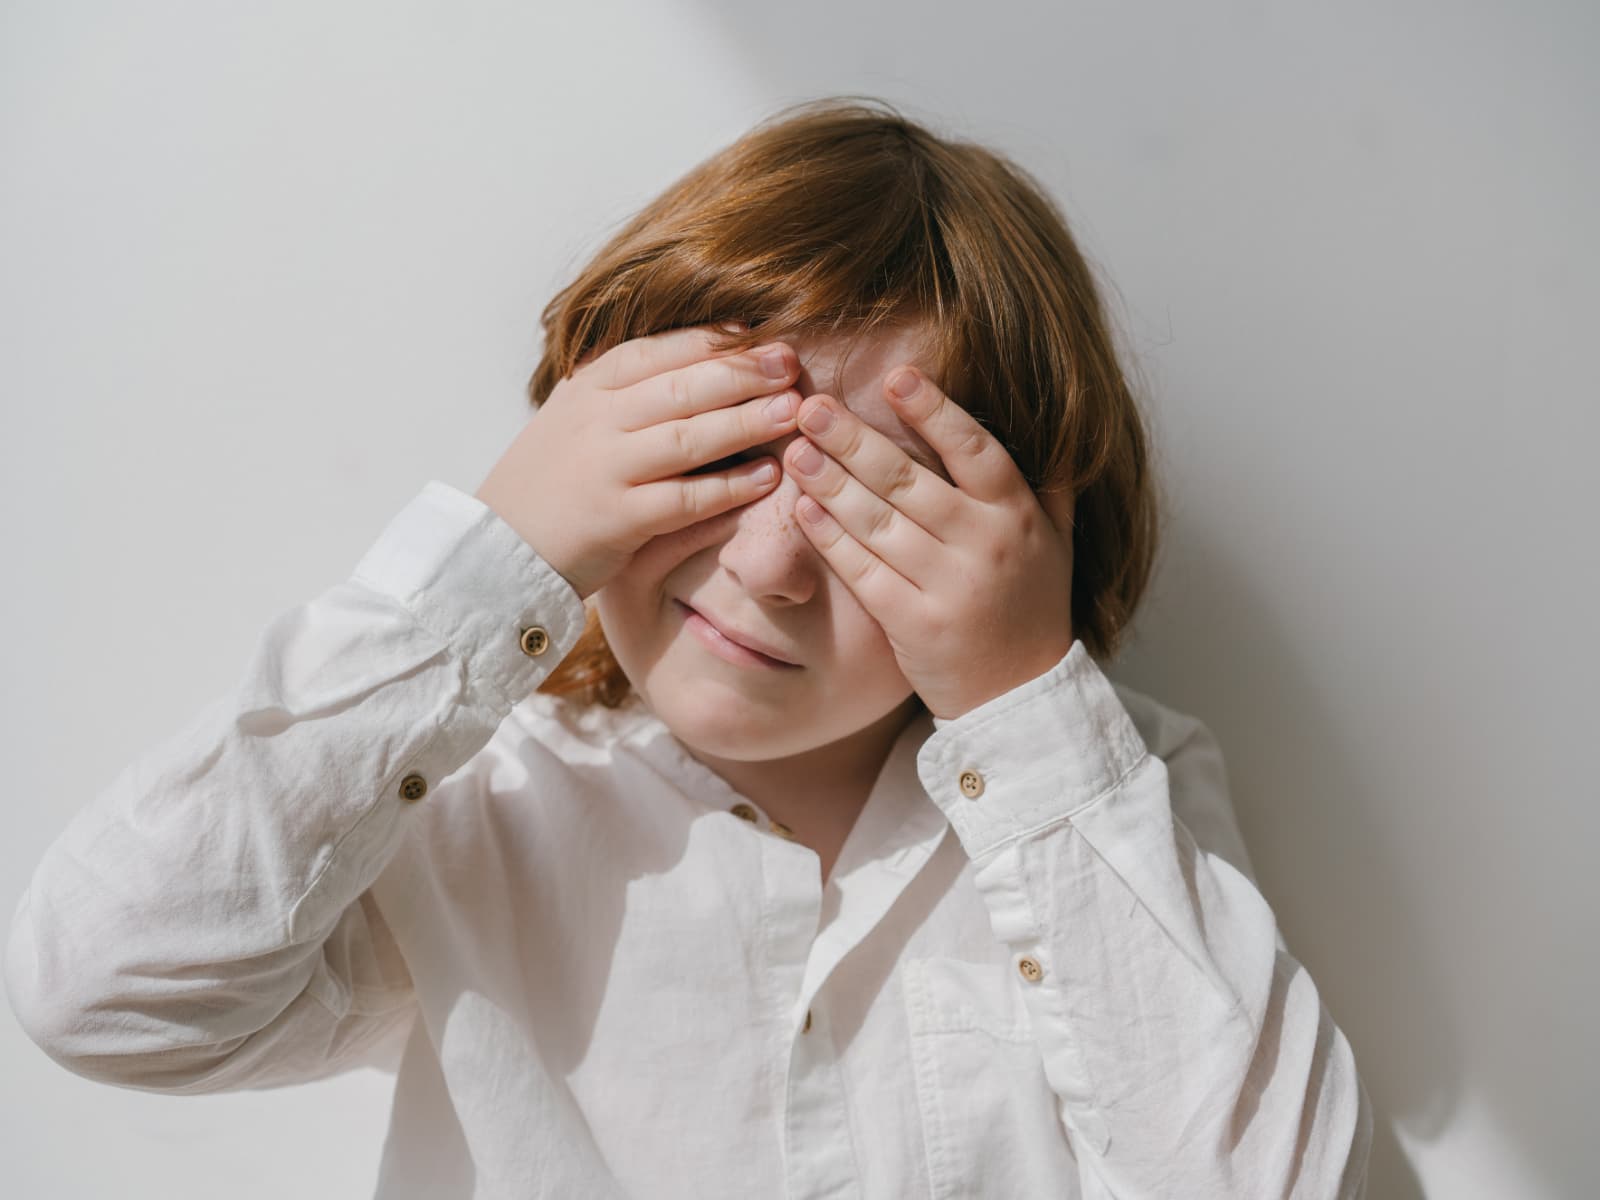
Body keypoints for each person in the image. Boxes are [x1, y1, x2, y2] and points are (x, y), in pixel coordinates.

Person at [3, 97, 1372, 1197]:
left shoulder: (1110, 799)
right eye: (719, 459)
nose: (770, 568)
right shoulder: (478, 805)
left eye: (875, 509)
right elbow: (105, 991)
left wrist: (1022, 701)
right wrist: (497, 560)